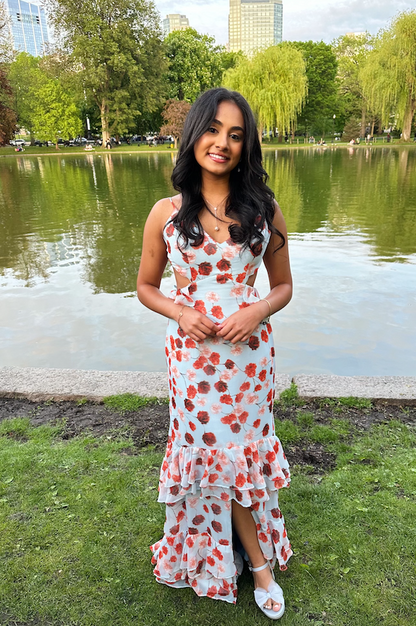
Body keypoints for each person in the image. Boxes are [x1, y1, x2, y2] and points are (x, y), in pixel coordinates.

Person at [137, 87, 293, 620]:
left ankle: (254, 560)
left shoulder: (264, 209)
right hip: (193, 362)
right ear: (194, 133)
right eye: (213, 130)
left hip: (248, 360)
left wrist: (257, 311)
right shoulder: (167, 211)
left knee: (241, 457)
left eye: (235, 134)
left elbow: (284, 287)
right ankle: (250, 560)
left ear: (245, 145)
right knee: (210, 456)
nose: (222, 143)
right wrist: (181, 313)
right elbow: (145, 287)